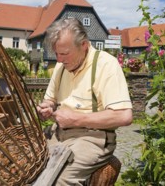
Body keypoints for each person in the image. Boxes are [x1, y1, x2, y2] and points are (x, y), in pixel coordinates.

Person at [36, 18, 133, 185]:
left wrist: (76, 119)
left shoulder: (105, 65)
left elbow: (124, 116)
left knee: (56, 180)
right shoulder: (61, 67)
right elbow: (50, 99)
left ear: (84, 45)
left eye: (64, 54)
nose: (59, 60)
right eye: (56, 53)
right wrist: (47, 107)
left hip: (91, 137)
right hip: (58, 133)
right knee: (24, 164)